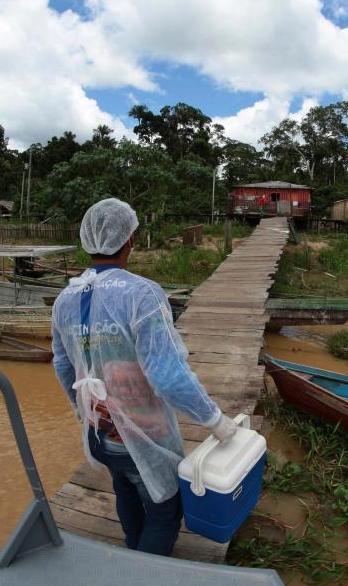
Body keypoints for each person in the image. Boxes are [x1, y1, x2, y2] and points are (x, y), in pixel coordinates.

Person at [51, 198, 237, 557]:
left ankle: (132, 554)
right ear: (130, 240)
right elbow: (167, 375)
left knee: (124, 488)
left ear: (87, 240)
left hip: (98, 433)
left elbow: (62, 365)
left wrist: (83, 411)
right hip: (143, 437)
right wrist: (215, 420)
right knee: (166, 514)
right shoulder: (142, 294)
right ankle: (143, 571)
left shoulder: (65, 298)